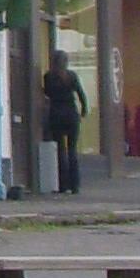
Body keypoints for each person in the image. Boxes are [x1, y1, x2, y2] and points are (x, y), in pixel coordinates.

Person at [41, 51, 89, 195]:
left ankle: (63, 185)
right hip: (71, 114)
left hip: (56, 115)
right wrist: (83, 110)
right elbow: (81, 94)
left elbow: (47, 93)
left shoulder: (48, 77)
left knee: (60, 150)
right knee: (72, 150)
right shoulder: (71, 76)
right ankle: (75, 186)